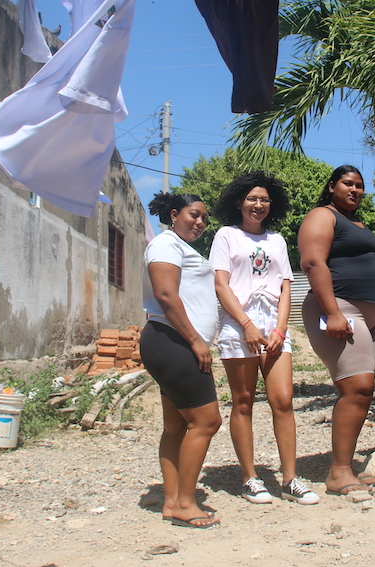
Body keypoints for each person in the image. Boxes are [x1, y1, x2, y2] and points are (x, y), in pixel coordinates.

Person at [209, 172, 320, 506]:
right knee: (243, 401)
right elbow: (220, 284)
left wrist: (280, 329)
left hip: (272, 326)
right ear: (239, 202)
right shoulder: (226, 236)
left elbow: (286, 286)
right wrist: (245, 324)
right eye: (252, 199)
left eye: (264, 200)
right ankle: (250, 478)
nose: (258, 205)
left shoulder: (277, 241)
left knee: (283, 401)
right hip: (238, 324)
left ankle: (290, 478)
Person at [298, 165, 375, 496]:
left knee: (358, 391)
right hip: (338, 309)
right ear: (333, 186)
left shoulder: (359, 224)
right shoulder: (323, 215)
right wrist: (332, 312)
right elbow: (313, 262)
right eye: (348, 184)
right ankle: (338, 472)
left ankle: (344, 463)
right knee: (359, 388)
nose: (355, 190)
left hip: (372, 317)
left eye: (360, 186)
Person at [142, 192, 222, 528]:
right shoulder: (165, 244)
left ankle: (173, 501)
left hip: (174, 343)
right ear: (174, 215)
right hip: (173, 342)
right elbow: (165, 294)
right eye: (194, 215)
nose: (200, 223)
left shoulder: (181, 248)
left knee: (175, 426)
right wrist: (195, 341)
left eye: (204, 218)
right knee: (206, 422)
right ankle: (187, 502)